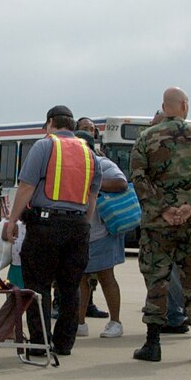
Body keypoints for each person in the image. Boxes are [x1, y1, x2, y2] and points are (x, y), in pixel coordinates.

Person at [1, 107, 110, 356]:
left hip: (45, 226)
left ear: (50, 123)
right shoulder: (89, 153)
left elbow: (27, 186)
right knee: (70, 287)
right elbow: (92, 196)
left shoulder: (44, 146)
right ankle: (64, 344)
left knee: (38, 285)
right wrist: (83, 223)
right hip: (78, 227)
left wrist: (12, 221)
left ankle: (40, 343)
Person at [130, 88, 191, 364]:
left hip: (158, 224)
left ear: (164, 106)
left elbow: (138, 178)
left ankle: (153, 343)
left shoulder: (146, 138)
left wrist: (164, 209)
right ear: (184, 106)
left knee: (157, 280)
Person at [78, 136, 131, 339]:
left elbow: (121, 183)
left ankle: (115, 322)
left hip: (102, 232)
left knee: (106, 276)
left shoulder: (103, 164)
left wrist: (93, 184)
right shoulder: (69, 165)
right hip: (82, 232)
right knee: (80, 279)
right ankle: (80, 323)